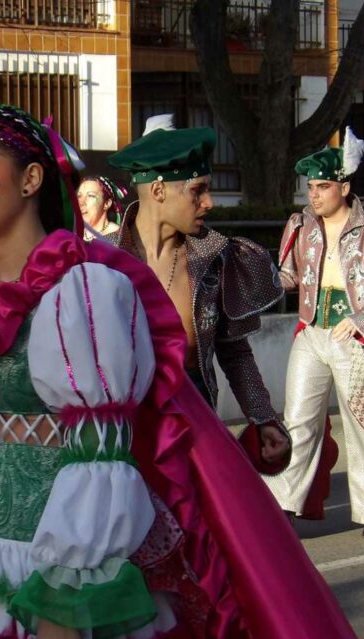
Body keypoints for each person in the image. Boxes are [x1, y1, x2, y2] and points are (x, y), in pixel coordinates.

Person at [0, 105, 364, 639]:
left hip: (78, 551)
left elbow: (98, 449)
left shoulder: (87, 289)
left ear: (31, 179)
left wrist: (65, 601)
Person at [106, 116, 289, 473]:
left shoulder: (217, 258)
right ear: (158, 191)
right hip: (121, 443)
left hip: (195, 435)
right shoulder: (100, 262)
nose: (209, 202)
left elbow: (234, 351)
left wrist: (264, 418)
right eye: (197, 190)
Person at [264, 128, 364, 531]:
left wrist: (363, 319)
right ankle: (283, 503)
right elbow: (288, 278)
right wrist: (251, 276)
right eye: (311, 187)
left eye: (323, 186)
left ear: (344, 187)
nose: (313, 195)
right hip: (311, 330)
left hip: (353, 336)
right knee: (298, 418)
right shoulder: (300, 226)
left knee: (363, 426)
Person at [77, 175, 126, 240]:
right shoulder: (73, 233)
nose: (81, 202)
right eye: (79, 196)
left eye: (90, 195)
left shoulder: (118, 237)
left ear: (107, 203)